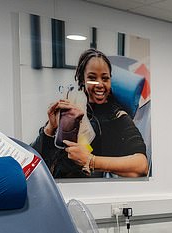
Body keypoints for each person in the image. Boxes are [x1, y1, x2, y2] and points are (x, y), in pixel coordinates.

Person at [32, 48, 148, 178]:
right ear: (82, 80)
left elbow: (141, 165)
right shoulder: (71, 107)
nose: (99, 84)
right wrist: (50, 129)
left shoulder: (117, 117)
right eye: (92, 78)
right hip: (51, 182)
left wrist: (91, 160)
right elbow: (33, 160)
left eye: (105, 79)